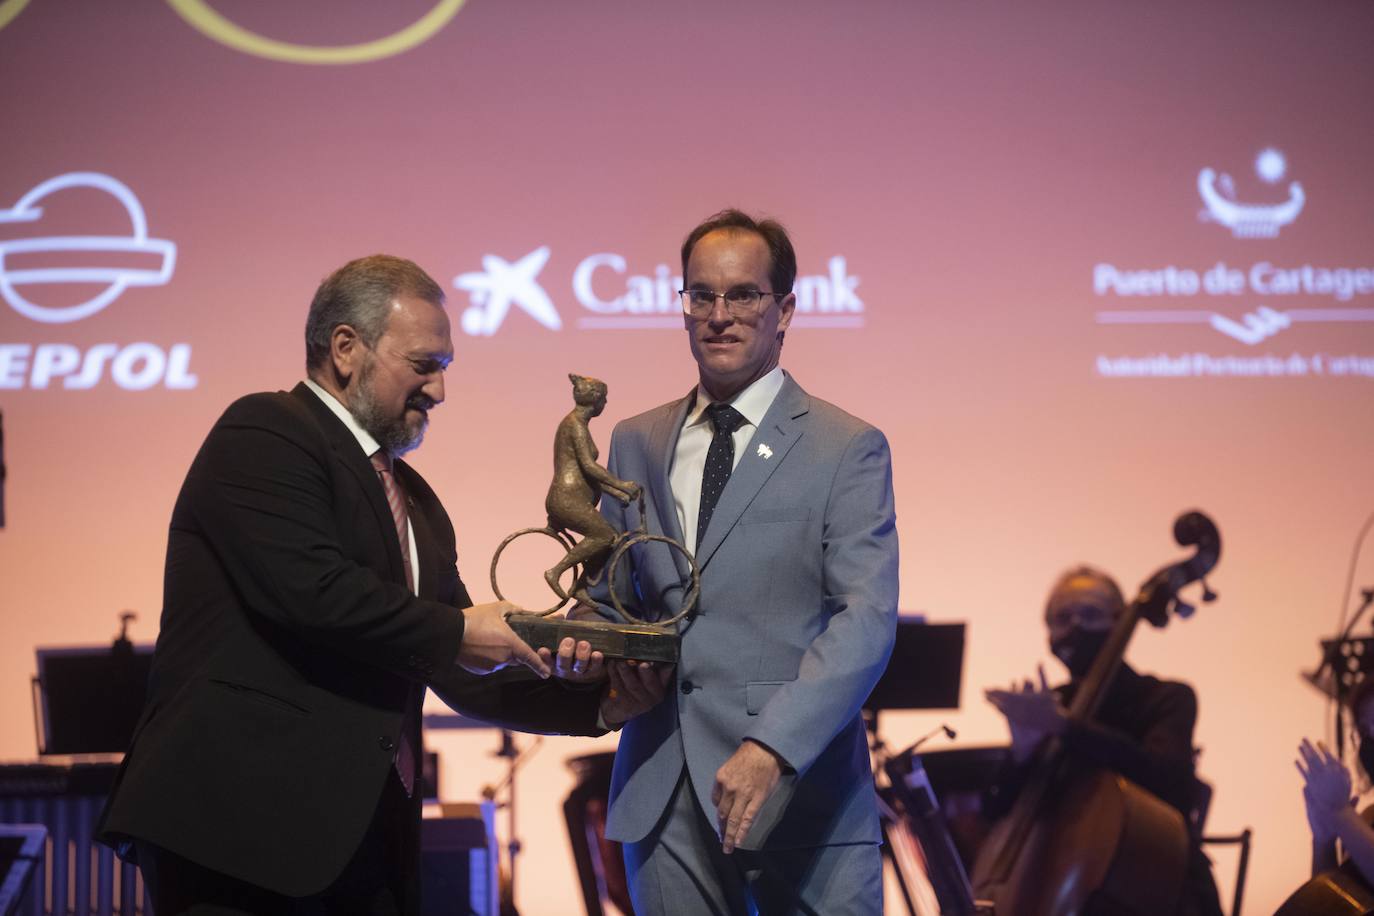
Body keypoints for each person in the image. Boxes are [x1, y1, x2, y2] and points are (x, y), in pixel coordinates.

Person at [96, 255, 668, 915]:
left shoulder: (413, 501)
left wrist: (599, 705)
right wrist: (461, 629)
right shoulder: (264, 432)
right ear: (346, 349)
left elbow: (456, 667)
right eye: (424, 365)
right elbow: (315, 594)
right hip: (237, 837)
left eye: (444, 370)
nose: (439, 391)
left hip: (361, 850)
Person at [586, 209, 900, 915]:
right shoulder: (636, 440)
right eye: (701, 296)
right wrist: (595, 651)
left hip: (804, 790)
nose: (719, 315)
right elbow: (606, 597)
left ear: (785, 309)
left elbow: (867, 617)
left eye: (744, 295)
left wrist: (774, 746)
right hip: (663, 791)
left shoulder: (845, 446)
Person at [984, 565, 1224, 916]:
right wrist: (1022, 754)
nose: (1076, 626)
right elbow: (994, 815)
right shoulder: (1053, 706)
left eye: (1091, 613)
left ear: (1118, 620)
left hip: (1161, 892)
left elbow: (1171, 785)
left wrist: (1067, 728)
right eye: (1062, 617)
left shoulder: (1165, 697)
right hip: (1064, 897)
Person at [543, 373, 642, 604]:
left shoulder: (578, 424)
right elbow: (588, 466)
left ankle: (580, 587)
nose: (605, 404)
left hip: (573, 498)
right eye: (604, 399)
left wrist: (617, 493)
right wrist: (621, 484)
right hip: (567, 499)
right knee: (604, 536)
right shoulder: (575, 425)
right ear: (595, 400)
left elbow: (586, 474)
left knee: (611, 539)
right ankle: (556, 572)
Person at [1296, 676, 1374, 883]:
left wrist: (1340, 813)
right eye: (1365, 730)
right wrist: (1324, 842)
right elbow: (1327, 907)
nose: (1371, 738)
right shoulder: (1368, 820)